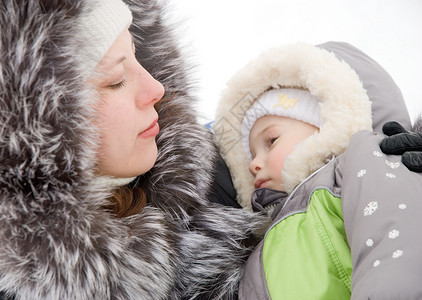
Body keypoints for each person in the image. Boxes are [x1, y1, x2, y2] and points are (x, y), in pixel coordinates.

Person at [0, 0, 264, 299]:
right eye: (116, 81)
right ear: (40, 127)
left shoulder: (243, 168)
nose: (156, 88)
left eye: (138, 57)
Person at [214, 41, 422, 299]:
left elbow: (396, 247)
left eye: (271, 141)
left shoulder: (364, 161)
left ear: (327, 126)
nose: (253, 164)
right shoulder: (260, 240)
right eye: (252, 154)